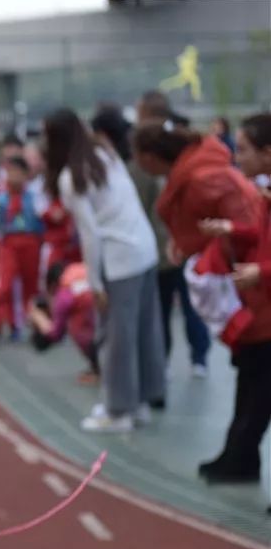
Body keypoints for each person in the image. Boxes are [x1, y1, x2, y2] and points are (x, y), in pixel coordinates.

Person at [146, 114, 271, 484]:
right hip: (259, 302)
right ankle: (239, 457)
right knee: (251, 378)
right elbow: (255, 234)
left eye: (244, 149)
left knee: (259, 386)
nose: (237, 156)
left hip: (262, 298)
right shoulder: (258, 190)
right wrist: (231, 230)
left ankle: (240, 455)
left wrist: (260, 271)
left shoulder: (214, 180)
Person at [45, 108, 165, 433]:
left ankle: (118, 410)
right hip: (144, 249)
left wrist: (94, 281)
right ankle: (139, 403)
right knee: (143, 332)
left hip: (120, 259)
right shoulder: (104, 153)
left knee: (116, 337)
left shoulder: (72, 177)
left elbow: (90, 233)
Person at [97, 100, 212, 378]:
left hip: (167, 252)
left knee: (173, 310)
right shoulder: (181, 170)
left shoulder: (187, 174)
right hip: (171, 250)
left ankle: (178, 361)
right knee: (177, 309)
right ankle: (183, 360)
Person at [0, 156, 43, 345]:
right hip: (9, 244)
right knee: (3, 285)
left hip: (31, 242)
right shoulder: (1, 199)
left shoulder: (33, 196)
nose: (13, 177)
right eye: (10, 172)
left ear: (26, 175)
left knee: (31, 286)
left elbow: (41, 221)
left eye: (18, 173)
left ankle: (33, 325)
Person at [29, 260, 99, 384]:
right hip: (112, 303)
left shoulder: (63, 294)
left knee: (76, 326)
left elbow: (56, 334)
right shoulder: (79, 268)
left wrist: (38, 317)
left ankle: (99, 369)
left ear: (52, 286)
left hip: (96, 320)